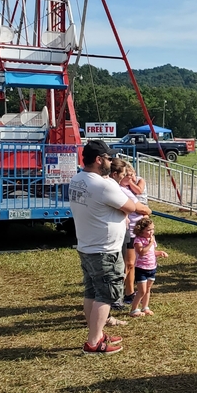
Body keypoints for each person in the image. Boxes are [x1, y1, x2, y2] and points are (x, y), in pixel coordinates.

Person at [70, 140, 151, 355]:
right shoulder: (103, 185)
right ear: (98, 160)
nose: (111, 161)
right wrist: (144, 210)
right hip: (104, 249)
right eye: (108, 158)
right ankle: (94, 342)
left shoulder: (77, 179)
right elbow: (132, 207)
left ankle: (95, 333)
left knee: (92, 292)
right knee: (105, 295)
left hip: (87, 246)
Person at [108, 158, 138, 308]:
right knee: (122, 266)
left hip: (128, 230)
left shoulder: (122, 188)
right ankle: (116, 297)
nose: (128, 176)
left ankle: (127, 293)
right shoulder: (115, 189)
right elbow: (134, 207)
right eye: (125, 174)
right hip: (123, 230)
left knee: (128, 264)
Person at [129, 216, 167, 317]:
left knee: (148, 289)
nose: (151, 232)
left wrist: (159, 253)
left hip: (151, 268)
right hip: (141, 269)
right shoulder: (138, 241)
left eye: (152, 229)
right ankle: (134, 309)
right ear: (140, 231)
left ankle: (145, 307)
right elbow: (142, 252)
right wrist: (150, 243)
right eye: (148, 230)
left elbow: (151, 252)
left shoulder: (151, 239)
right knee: (142, 291)